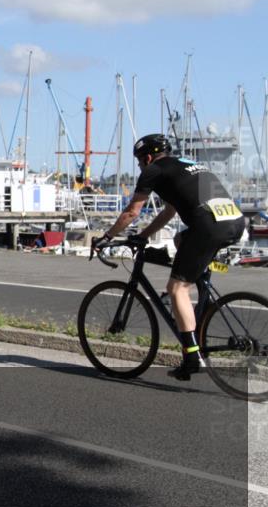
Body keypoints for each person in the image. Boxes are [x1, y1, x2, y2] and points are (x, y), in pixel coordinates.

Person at [94, 133, 245, 381]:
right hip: (235, 222)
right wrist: (143, 236)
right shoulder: (185, 165)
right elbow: (169, 211)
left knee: (176, 289)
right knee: (179, 241)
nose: (141, 166)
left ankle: (192, 357)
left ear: (148, 157)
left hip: (208, 228)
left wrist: (107, 237)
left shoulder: (153, 170)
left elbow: (132, 210)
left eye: (140, 161)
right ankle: (201, 289)